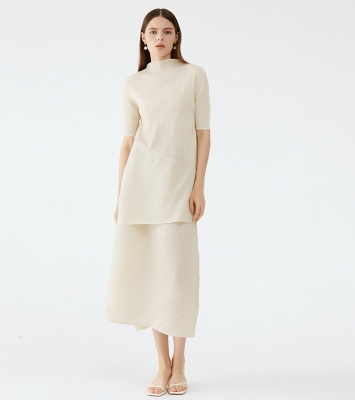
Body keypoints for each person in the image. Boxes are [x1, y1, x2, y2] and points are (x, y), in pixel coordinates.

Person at [105, 7, 211, 396]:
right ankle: (162, 364)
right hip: (142, 185)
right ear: (143, 37)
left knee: (177, 274)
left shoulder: (194, 75)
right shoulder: (133, 83)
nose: (160, 37)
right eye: (153, 31)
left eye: (167, 31)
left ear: (177, 37)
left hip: (179, 185)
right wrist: (122, 196)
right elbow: (128, 143)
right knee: (152, 273)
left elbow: (203, 134)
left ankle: (180, 361)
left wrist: (198, 186)